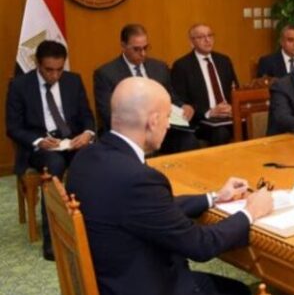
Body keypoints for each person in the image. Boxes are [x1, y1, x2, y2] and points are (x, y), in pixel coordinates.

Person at [65, 77, 273, 295]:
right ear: (152, 121)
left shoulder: (89, 159)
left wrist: (214, 197)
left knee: (238, 289)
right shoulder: (137, 179)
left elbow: (146, 210)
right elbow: (200, 245)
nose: (169, 125)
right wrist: (251, 213)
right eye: (167, 117)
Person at [6, 40, 95, 260]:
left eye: (59, 69)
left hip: (71, 141)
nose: (55, 75)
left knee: (92, 160)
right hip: (40, 147)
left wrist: (87, 133)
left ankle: (91, 231)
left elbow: (87, 116)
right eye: (49, 70)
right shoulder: (20, 85)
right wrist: (38, 141)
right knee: (54, 165)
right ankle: (52, 239)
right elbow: (13, 127)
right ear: (37, 64)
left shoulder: (73, 81)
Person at [93, 23, 198, 154]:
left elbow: (171, 97)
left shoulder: (159, 67)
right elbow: (108, 114)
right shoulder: (106, 74)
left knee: (188, 140)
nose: (143, 53)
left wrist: (183, 106)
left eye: (146, 48)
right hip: (131, 132)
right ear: (123, 46)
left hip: (162, 129)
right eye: (136, 49)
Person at [170, 24, 239, 146]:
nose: (207, 40)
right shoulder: (182, 66)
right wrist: (209, 112)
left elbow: (235, 89)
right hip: (203, 121)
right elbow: (181, 101)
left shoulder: (224, 61)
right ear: (192, 42)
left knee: (252, 126)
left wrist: (232, 107)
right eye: (201, 37)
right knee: (221, 133)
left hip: (229, 116)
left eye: (210, 35)